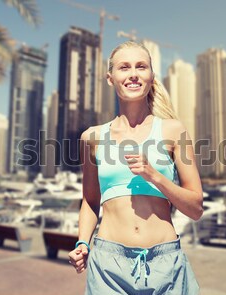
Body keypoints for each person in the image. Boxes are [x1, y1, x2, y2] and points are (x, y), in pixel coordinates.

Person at [69, 40, 203, 294]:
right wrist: (82, 243)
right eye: (124, 67)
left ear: (151, 76)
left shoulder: (174, 130)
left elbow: (195, 208)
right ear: (110, 78)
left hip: (167, 266)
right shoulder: (92, 137)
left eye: (141, 67)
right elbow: (89, 200)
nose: (133, 74)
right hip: (109, 267)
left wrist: (155, 176)